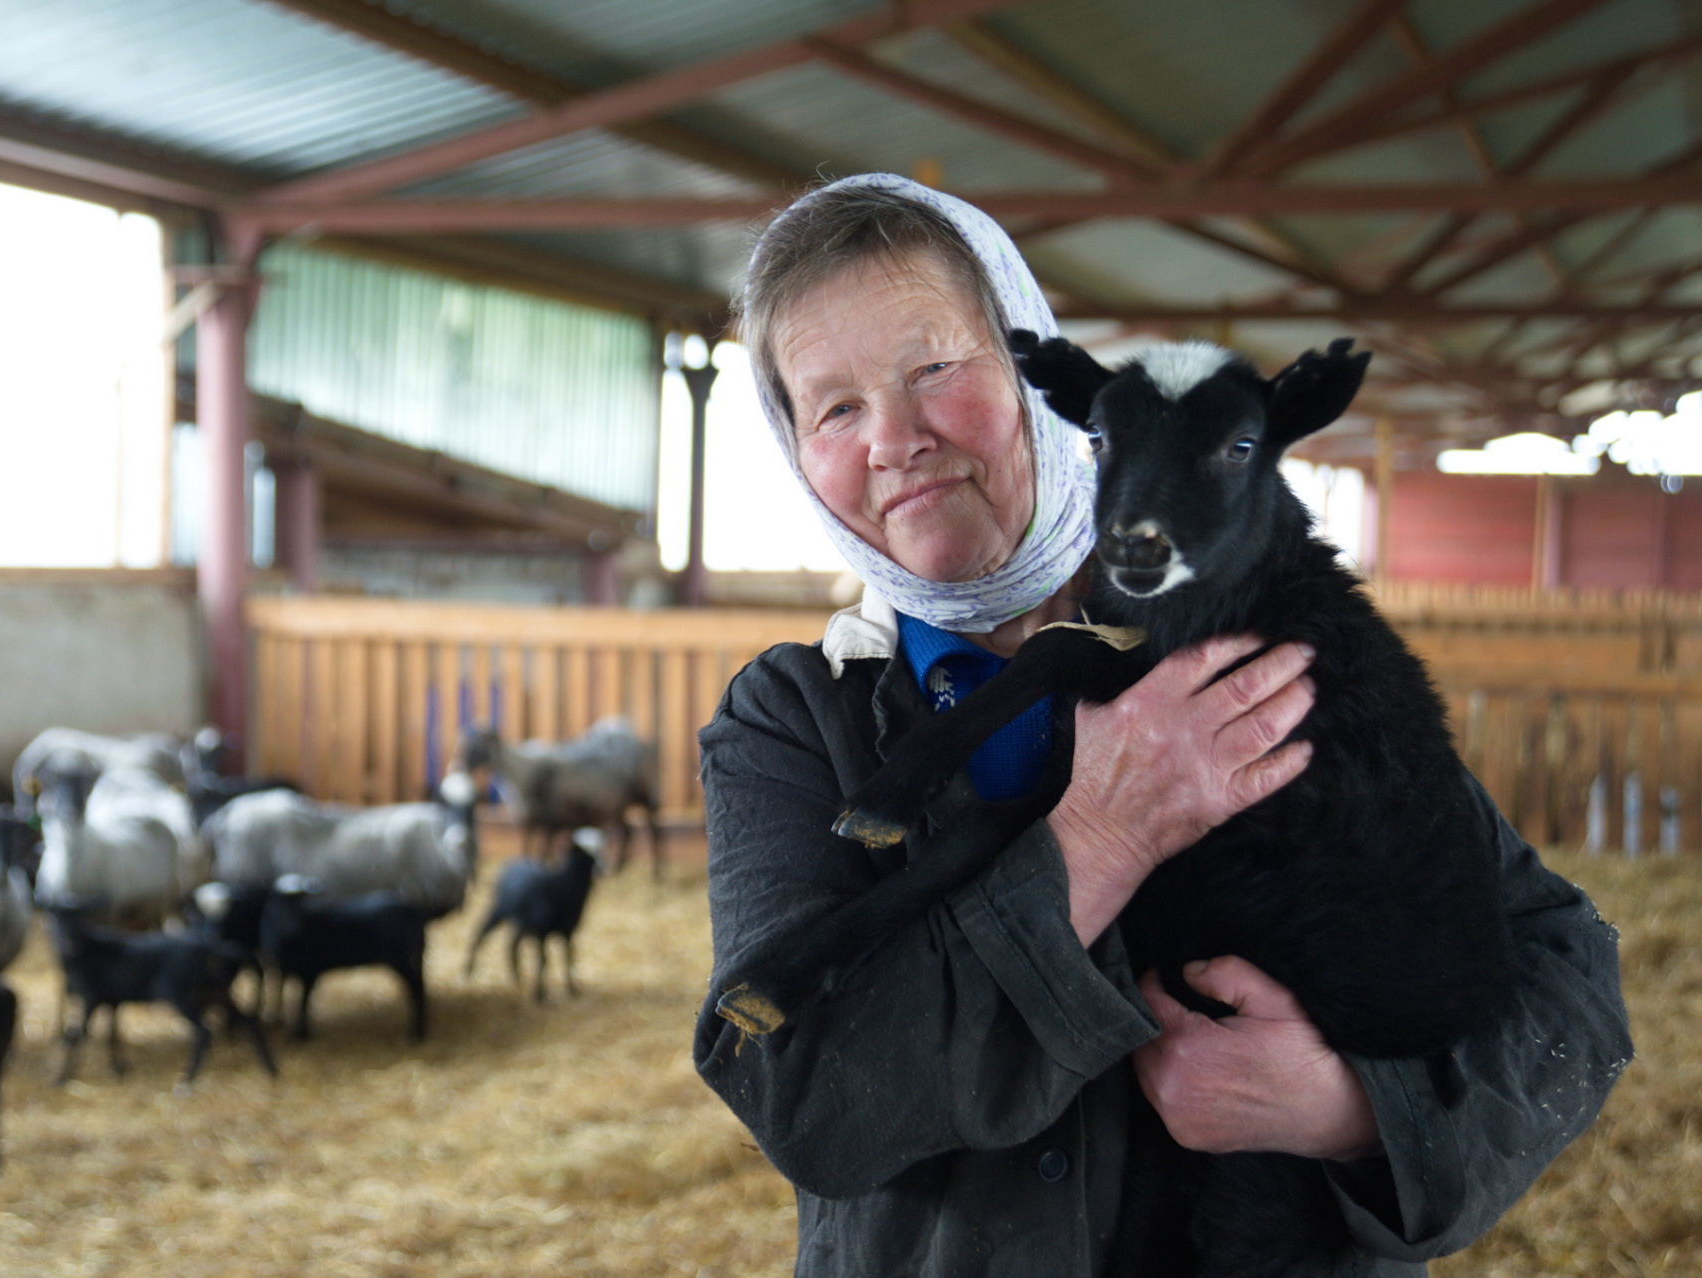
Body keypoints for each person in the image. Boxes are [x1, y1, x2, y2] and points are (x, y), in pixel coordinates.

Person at [692, 174, 1631, 1277]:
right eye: (834, 406)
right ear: (797, 451)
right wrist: (1099, 839)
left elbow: (1568, 978)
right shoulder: (797, 722)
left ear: (1036, 368)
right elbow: (797, 1100)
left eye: (936, 368)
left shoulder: (1258, 629)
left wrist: (1355, 1107)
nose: (893, 439)